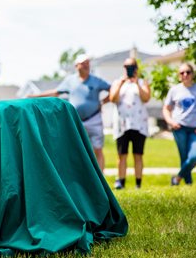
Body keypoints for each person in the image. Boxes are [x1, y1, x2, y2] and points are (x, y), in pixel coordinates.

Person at [29, 54, 111, 171]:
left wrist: (103, 102)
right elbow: (56, 92)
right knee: (76, 149)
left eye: (87, 63)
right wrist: (35, 96)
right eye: (83, 63)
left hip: (94, 119)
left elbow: (111, 89)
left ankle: (101, 179)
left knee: (97, 149)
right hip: (76, 120)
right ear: (76, 66)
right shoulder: (70, 81)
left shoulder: (96, 80)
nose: (86, 65)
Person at [163, 63, 196, 186]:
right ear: (179, 75)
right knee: (184, 157)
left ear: (192, 74)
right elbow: (166, 108)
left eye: (188, 72)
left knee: (194, 157)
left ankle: (177, 179)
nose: (185, 75)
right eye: (182, 73)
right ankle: (188, 184)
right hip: (179, 128)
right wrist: (171, 122)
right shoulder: (174, 90)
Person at [109, 58, 151, 189]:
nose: (129, 69)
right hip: (122, 125)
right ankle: (121, 182)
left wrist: (136, 83)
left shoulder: (142, 82)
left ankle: (138, 184)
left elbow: (146, 98)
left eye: (131, 66)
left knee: (138, 154)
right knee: (122, 155)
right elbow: (112, 98)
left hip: (139, 124)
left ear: (136, 68)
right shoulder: (117, 82)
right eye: (126, 66)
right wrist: (122, 83)